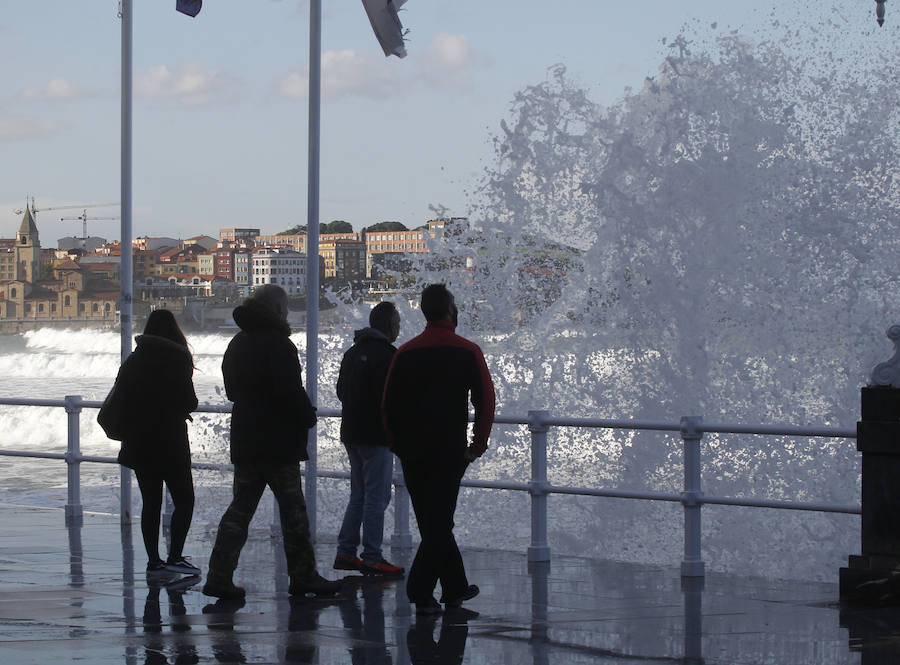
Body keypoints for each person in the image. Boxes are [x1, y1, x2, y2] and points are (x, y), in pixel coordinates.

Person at [203, 284, 342, 600]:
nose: (288, 314)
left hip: (246, 439)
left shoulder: (238, 343)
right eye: (286, 309)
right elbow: (289, 392)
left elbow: (232, 391)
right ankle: (304, 576)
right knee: (294, 512)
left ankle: (219, 575)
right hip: (278, 443)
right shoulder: (280, 345)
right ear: (277, 310)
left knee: (239, 510)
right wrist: (307, 416)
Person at [382, 284, 495, 614]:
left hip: (413, 451)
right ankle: (418, 592)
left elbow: (388, 404)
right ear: (449, 311)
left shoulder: (406, 352)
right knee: (439, 524)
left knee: (434, 522)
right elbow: (485, 401)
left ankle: (455, 587)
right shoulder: (467, 350)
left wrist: (395, 443)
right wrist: (478, 444)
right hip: (450, 452)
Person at [114, 309, 200, 576]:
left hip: (139, 440)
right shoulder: (177, 359)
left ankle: (154, 561)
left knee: (151, 502)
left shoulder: (134, 360)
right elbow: (190, 402)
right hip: (170, 439)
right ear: (174, 331)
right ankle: (175, 557)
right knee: (184, 499)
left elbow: (121, 397)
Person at [334, 301, 405, 577]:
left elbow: (341, 392)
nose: (399, 327)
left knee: (359, 495)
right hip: (376, 435)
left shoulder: (353, 352)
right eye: (397, 322)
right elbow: (395, 398)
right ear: (389, 325)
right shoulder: (389, 356)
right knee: (377, 497)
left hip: (351, 432)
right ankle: (372, 556)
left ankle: (346, 551)